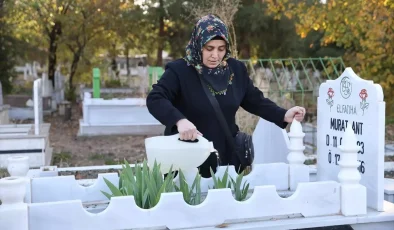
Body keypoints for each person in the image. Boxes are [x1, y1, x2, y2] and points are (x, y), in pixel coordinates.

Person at [146, 14, 305, 177]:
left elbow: (254, 100)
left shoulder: (235, 70)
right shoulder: (180, 71)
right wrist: (179, 121)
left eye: (221, 49)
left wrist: (283, 114)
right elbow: (155, 98)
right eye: (209, 48)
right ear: (198, 44)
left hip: (225, 159)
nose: (215, 55)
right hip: (187, 159)